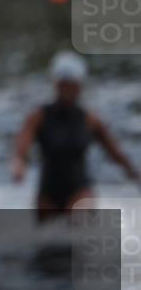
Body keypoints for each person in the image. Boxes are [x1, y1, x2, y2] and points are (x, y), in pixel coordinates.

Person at [12, 50, 140, 222]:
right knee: (46, 231)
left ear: (79, 86)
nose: (67, 90)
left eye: (71, 85)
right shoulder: (38, 117)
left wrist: (134, 175)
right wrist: (19, 164)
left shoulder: (90, 120)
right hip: (48, 193)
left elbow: (115, 153)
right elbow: (22, 146)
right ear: (56, 84)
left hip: (79, 190)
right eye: (63, 84)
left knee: (80, 215)